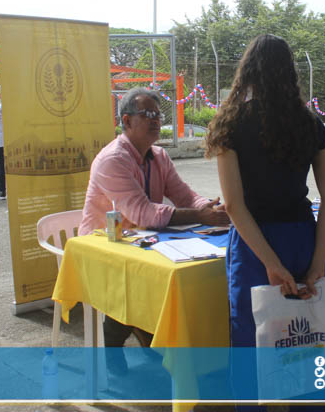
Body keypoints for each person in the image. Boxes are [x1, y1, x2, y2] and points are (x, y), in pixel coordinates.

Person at [205, 34, 325, 411]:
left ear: (247, 72)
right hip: (303, 237)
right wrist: (317, 261)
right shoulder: (310, 123)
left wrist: (269, 263)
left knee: (253, 344)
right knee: (307, 338)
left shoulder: (229, 124)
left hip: (253, 246)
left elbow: (233, 205)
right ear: (290, 73)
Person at [79, 87, 229, 369]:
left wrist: (209, 206)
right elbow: (143, 213)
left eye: (159, 115)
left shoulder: (159, 155)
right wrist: (201, 215)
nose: (156, 121)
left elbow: (184, 195)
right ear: (126, 121)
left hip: (146, 240)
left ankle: (157, 339)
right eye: (147, 115)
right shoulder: (113, 159)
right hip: (105, 244)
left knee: (182, 277)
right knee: (140, 281)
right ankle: (119, 345)